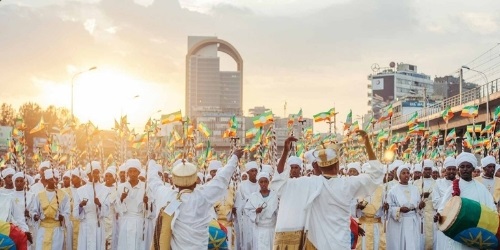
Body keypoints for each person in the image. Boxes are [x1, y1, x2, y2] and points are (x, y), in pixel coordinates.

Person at [151, 149, 244, 249]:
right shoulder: (203, 196)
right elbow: (222, 178)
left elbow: (153, 182)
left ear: (175, 183)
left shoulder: (168, 195)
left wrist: (151, 161)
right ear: (195, 182)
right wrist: (234, 157)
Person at [435, 152, 496, 250]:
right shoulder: (452, 188)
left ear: (473, 169)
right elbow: (442, 210)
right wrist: (439, 216)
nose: (465, 169)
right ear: (458, 169)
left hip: (475, 233)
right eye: (462, 167)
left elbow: (491, 210)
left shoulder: (481, 188)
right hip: (458, 234)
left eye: (468, 166)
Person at [270, 139, 311, 250]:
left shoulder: (306, 181)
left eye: (296, 167)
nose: (293, 170)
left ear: (300, 169)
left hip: (301, 223)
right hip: (284, 224)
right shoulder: (284, 183)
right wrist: (285, 152)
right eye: (291, 167)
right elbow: (278, 173)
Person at [385, 164, 424, 250]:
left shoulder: (415, 189)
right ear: (399, 175)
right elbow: (390, 208)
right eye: (403, 173)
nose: (406, 175)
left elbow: (417, 207)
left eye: (407, 173)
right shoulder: (393, 191)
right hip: (400, 222)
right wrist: (399, 209)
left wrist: (420, 207)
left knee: (412, 244)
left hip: (413, 220)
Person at [74, 161, 110, 250]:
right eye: (94, 172)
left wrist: (100, 204)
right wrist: (81, 206)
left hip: (98, 225)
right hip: (85, 225)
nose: (96, 175)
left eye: (98, 172)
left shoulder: (105, 190)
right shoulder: (80, 190)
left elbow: (107, 211)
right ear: (88, 174)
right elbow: (75, 213)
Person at [32, 169, 70, 250]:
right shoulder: (39, 195)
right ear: (46, 180)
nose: (54, 181)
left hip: (57, 231)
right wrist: (35, 216)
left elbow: (67, 212)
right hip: (42, 230)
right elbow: (34, 211)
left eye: (56, 179)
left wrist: (63, 217)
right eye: (52, 179)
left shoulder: (64, 195)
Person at [116, 159, 149, 250]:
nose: (133, 174)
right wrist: (121, 199)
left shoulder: (145, 187)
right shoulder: (121, 187)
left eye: (135, 171)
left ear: (139, 172)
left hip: (140, 222)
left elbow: (150, 211)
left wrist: (146, 203)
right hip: (125, 222)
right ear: (127, 173)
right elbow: (117, 209)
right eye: (130, 171)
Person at [244, 171, 279, 250]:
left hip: (271, 230)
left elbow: (278, 211)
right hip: (259, 230)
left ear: (268, 182)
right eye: (261, 181)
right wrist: (255, 212)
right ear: (258, 183)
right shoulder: (253, 196)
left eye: (265, 181)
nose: (263, 184)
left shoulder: (274, 195)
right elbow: (247, 210)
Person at [354, 163, 385, 250]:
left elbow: (386, 213)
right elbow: (353, 211)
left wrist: (386, 208)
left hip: (376, 226)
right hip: (363, 227)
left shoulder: (382, 190)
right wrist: (357, 207)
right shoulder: (359, 189)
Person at [432, 157, 456, 249]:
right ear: (445, 170)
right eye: (449, 169)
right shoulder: (438, 183)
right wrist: (451, 199)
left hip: (456, 218)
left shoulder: (460, 183)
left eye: (453, 169)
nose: (451, 171)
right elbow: (435, 203)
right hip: (443, 218)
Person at [234, 161, 259, 249]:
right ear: (247, 172)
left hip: (258, 217)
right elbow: (239, 203)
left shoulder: (261, 184)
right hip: (247, 218)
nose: (254, 173)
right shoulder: (242, 186)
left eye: (255, 170)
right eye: (252, 171)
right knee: (247, 241)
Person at [412, 159, 436, 250]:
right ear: (422, 169)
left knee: (431, 238)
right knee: (419, 238)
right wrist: (421, 196)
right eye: (425, 169)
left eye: (429, 169)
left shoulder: (436, 183)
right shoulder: (416, 183)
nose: (427, 171)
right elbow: (412, 199)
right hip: (419, 214)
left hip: (432, 214)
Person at [103, 166, 119, 250]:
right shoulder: (100, 188)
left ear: (114, 178)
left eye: (110, 176)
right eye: (106, 176)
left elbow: (118, 206)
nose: (108, 178)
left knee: (111, 240)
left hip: (112, 218)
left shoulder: (117, 189)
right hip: (102, 218)